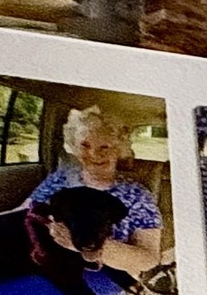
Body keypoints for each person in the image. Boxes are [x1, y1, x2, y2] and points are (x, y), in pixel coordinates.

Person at [24, 106, 165, 281]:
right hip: (43, 265)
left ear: (119, 150)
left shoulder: (137, 195)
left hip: (105, 278)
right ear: (75, 147)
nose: (93, 154)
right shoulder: (59, 180)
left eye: (104, 146)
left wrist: (83, 244)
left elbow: (148, 259)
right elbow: (26, 214)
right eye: (85, 145)